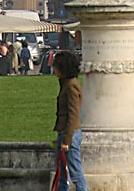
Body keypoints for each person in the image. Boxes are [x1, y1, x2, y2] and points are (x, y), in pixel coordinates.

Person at [52, 50, 87, 191]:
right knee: (62, 172)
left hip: (69, 134)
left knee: (75, 173)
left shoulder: (71, 86)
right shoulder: (67, 84)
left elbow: (73, 115)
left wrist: (66, 140)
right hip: (65, 133)